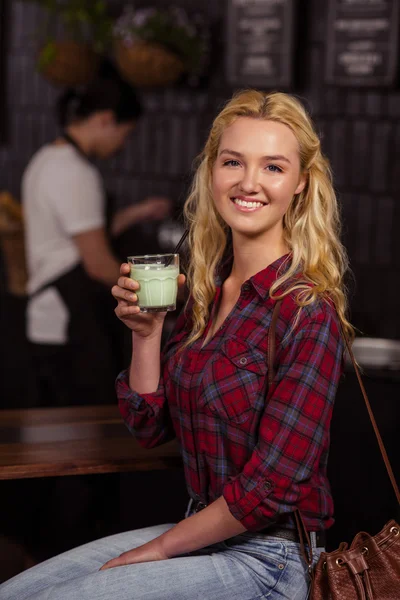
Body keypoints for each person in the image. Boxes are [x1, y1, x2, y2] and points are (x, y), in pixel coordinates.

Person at [0, 89, 353, 599]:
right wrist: (147, 335)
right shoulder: (207, 293)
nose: (249, 182)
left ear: (300, 184)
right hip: (202, 534)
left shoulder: (306, 310)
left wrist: (161, 549)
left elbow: (273, 486)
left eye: (273, 167)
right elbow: (149, 426)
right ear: (213, 173)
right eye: (233, 162)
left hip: (271, 558)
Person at [23, 60, 171, 406]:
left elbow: (80, 232)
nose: (122, 144)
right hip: (67, 322)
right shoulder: (76, 173)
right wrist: (159, 299)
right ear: (105, 120)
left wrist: (140, 211)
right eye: (126, 132)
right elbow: (98, 264)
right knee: (80, 440)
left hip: (46, 319)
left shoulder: (47, 159)